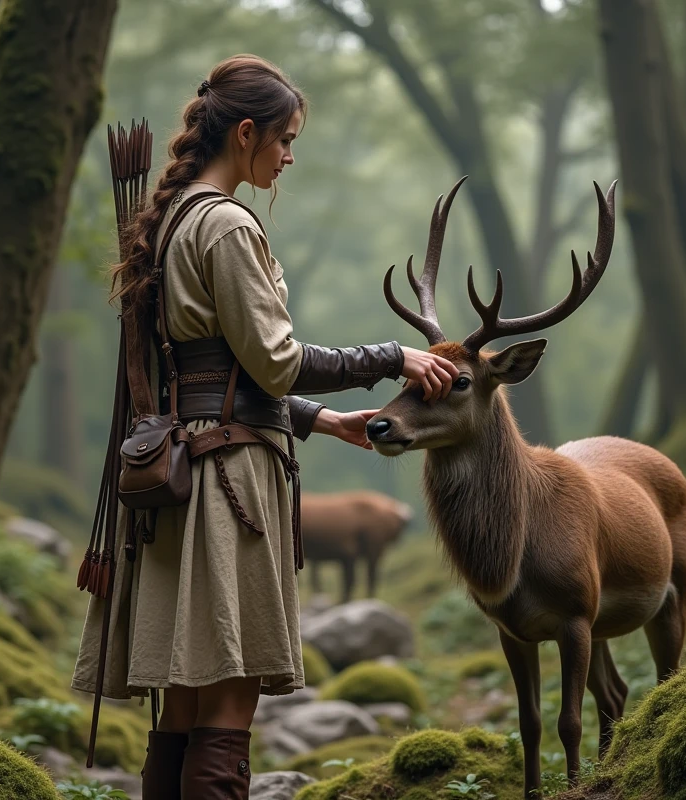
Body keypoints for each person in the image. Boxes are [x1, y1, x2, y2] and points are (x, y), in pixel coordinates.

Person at [70, 54, 459, 800]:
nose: (288, 156)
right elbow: (274, 362)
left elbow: (205, 372)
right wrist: (392, 357)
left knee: (180, 710)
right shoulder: (225, 225)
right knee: (228, 700)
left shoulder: (173, 217)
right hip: (227, 490)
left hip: (184, 481)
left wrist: (317, 420)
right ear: (245, 133)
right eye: (283, 139)